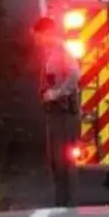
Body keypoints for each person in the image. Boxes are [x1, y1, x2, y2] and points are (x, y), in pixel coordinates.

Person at [33, 15, 81, 207]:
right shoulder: (51, 52)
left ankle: (66, 201)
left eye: (38, 36)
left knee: (62, 159)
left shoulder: (61, 51)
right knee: (55, 159)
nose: (36, 40)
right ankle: (61, 200)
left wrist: (57, 93)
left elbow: (74, 74)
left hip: (63, 113)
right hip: (55, 113)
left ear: (47, 33)